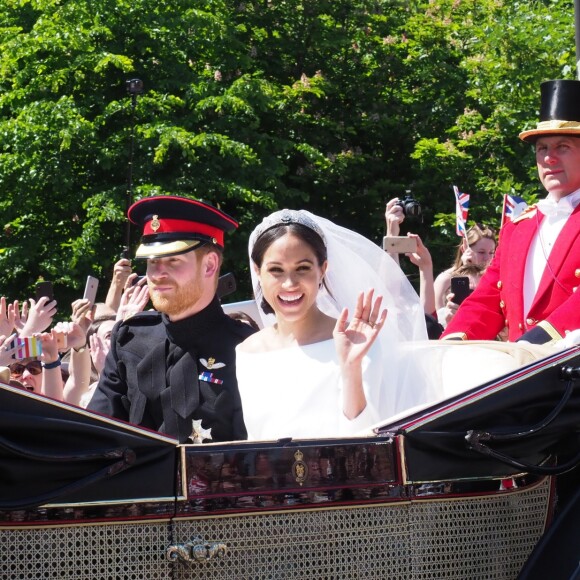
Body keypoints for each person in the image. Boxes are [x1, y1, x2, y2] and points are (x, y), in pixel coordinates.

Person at [236, 209, 430, 440]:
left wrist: (351, 369)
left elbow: (368, 439)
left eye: (303, 268)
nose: (290, 284)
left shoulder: (353, 340)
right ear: (258, 271)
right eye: (276, 270)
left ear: (323, 269)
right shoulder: (248, 352)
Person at [87, 196, 256, 443]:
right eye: (152, 262)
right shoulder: (129, 340)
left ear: (209, 265)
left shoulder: (247, 347)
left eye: (173, 261)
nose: (157, 274)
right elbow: (97, 437)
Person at [442, 79, 580, 344]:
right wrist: (452, 344)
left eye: (563, 147)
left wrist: (536, 345)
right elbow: (487, 299)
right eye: (542, 149)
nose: (549, 158)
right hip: (525, 377)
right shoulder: (518, 227)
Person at [433, 224, 496, 312]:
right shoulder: (445, 279)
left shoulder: (494, 279)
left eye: (491, 252)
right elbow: (436, 319)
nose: (487, 258)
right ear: (464, 249)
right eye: (481, 252)